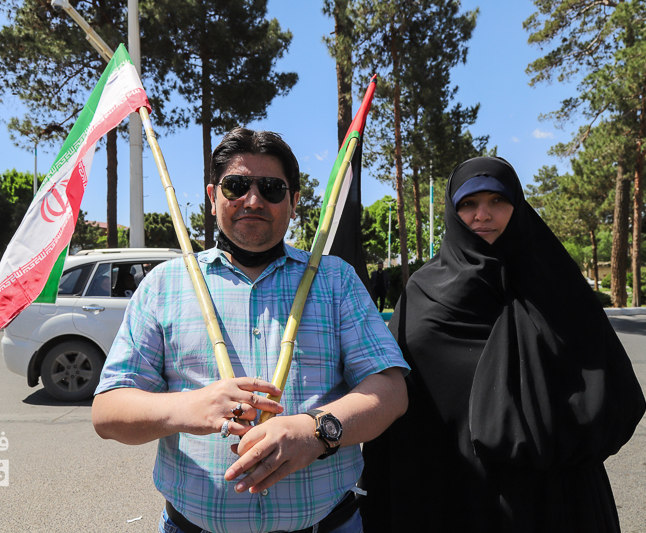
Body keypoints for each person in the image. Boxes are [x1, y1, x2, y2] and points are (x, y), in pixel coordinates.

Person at [92, 128, 409, 533]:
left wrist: (316, 431)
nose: (254, 200)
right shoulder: (164, 285)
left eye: (272, 188)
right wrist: (187, 408)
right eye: (236, 186)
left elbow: (390, 390)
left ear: (294, 202)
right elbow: (108, 410)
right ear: (213, 197)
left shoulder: (335, 280)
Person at [361, 156, 646, 532]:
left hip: (548, 494)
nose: (483, 215)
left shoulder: (556, 286)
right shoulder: (422, 293)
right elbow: (398, 402)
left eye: (497, 200)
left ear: (518, 206)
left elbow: (608, 391)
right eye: (468, 203)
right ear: (452, 211)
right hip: (448, 489)